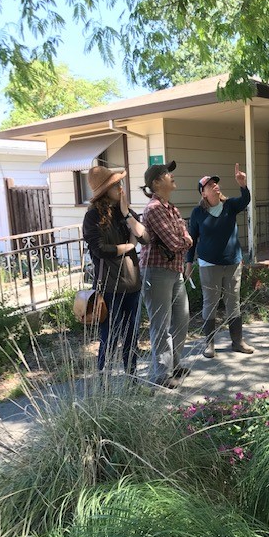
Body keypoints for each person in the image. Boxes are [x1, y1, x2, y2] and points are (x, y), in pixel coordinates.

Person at [82, 166, 149, 376]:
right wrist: (129, 247)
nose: (121, 188)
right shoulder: (92, 217)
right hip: (110, 288)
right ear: (105, 190)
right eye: (116, 185)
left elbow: (146, 238)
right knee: (109, 337)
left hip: (133, 285)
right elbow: (100, 250)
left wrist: (127, 214)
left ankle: (131, 379)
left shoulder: (125, 212)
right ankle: (104, 383)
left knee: (131, 337)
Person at [185, 163, 254, 358]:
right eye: (209, 185)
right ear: (203, 193)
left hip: (232, 262)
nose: (215, 185)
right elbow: (192, 240)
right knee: (211, 304)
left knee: (234, 303)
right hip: (209, 265)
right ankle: (209, 345)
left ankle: (237, 342)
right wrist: (189, 264)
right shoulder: (198, 213)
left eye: (215, 183)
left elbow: (245, 200)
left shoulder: (230, 206)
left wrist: (243, 184)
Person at [139, 160, 193, 389]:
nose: (172, 176)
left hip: (174, 270)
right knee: (161, 324)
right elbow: (175, 242)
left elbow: (185, 238)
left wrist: (184, 240)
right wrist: (185, 241)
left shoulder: (171, 208)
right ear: (156, 182)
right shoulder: (154, 209)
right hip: (156, 271)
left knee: (181, 319)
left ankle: (175, 364)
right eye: (166, 174)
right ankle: (162, 374)